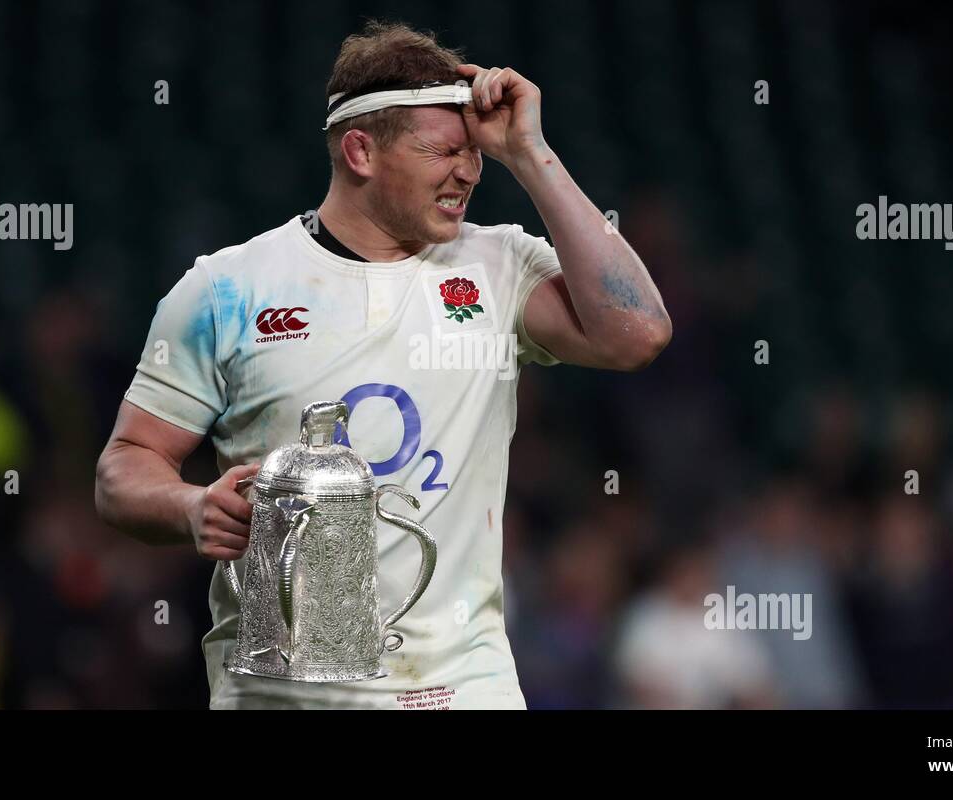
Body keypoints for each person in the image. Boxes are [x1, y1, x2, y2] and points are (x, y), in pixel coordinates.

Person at [95, 20, 670, 709]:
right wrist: (191, 507)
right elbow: (123, 468)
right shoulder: (227, 289)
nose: (469, 171)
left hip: (463, 688)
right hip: (283, 695)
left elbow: (636, 333)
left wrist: (531, 153)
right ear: (361, 151)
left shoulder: (498, 266)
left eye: (476, 152)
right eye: (443, 151)